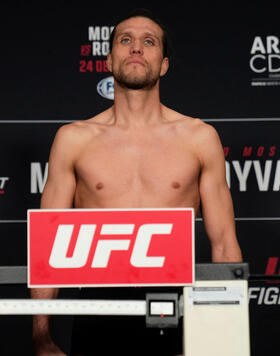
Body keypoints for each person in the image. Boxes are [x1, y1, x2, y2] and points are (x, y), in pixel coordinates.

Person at [31, 8, 242, 356]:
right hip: (98, 307)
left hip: (174, 305)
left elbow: (224, 245)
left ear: (164, 64)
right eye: (125, 40)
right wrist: (41, 336)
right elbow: (48, 247)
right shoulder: (73, 139)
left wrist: (227, 335)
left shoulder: (199, 138)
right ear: (110, 59)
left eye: (149, 42)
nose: (136, 48)